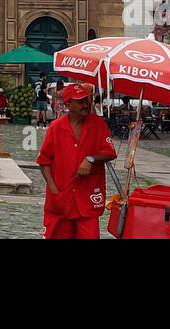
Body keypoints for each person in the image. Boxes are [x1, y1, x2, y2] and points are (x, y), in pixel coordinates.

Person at [36, 82, 117, 239]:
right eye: (79, 102)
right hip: (61, 199)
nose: (85, 105)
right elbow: (44, 161)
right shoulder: (55, 127)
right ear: (67, 104)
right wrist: (54, 190)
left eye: (86, 100)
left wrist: (91, 158)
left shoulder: (97, 124)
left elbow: (110, 152)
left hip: (88, 198)